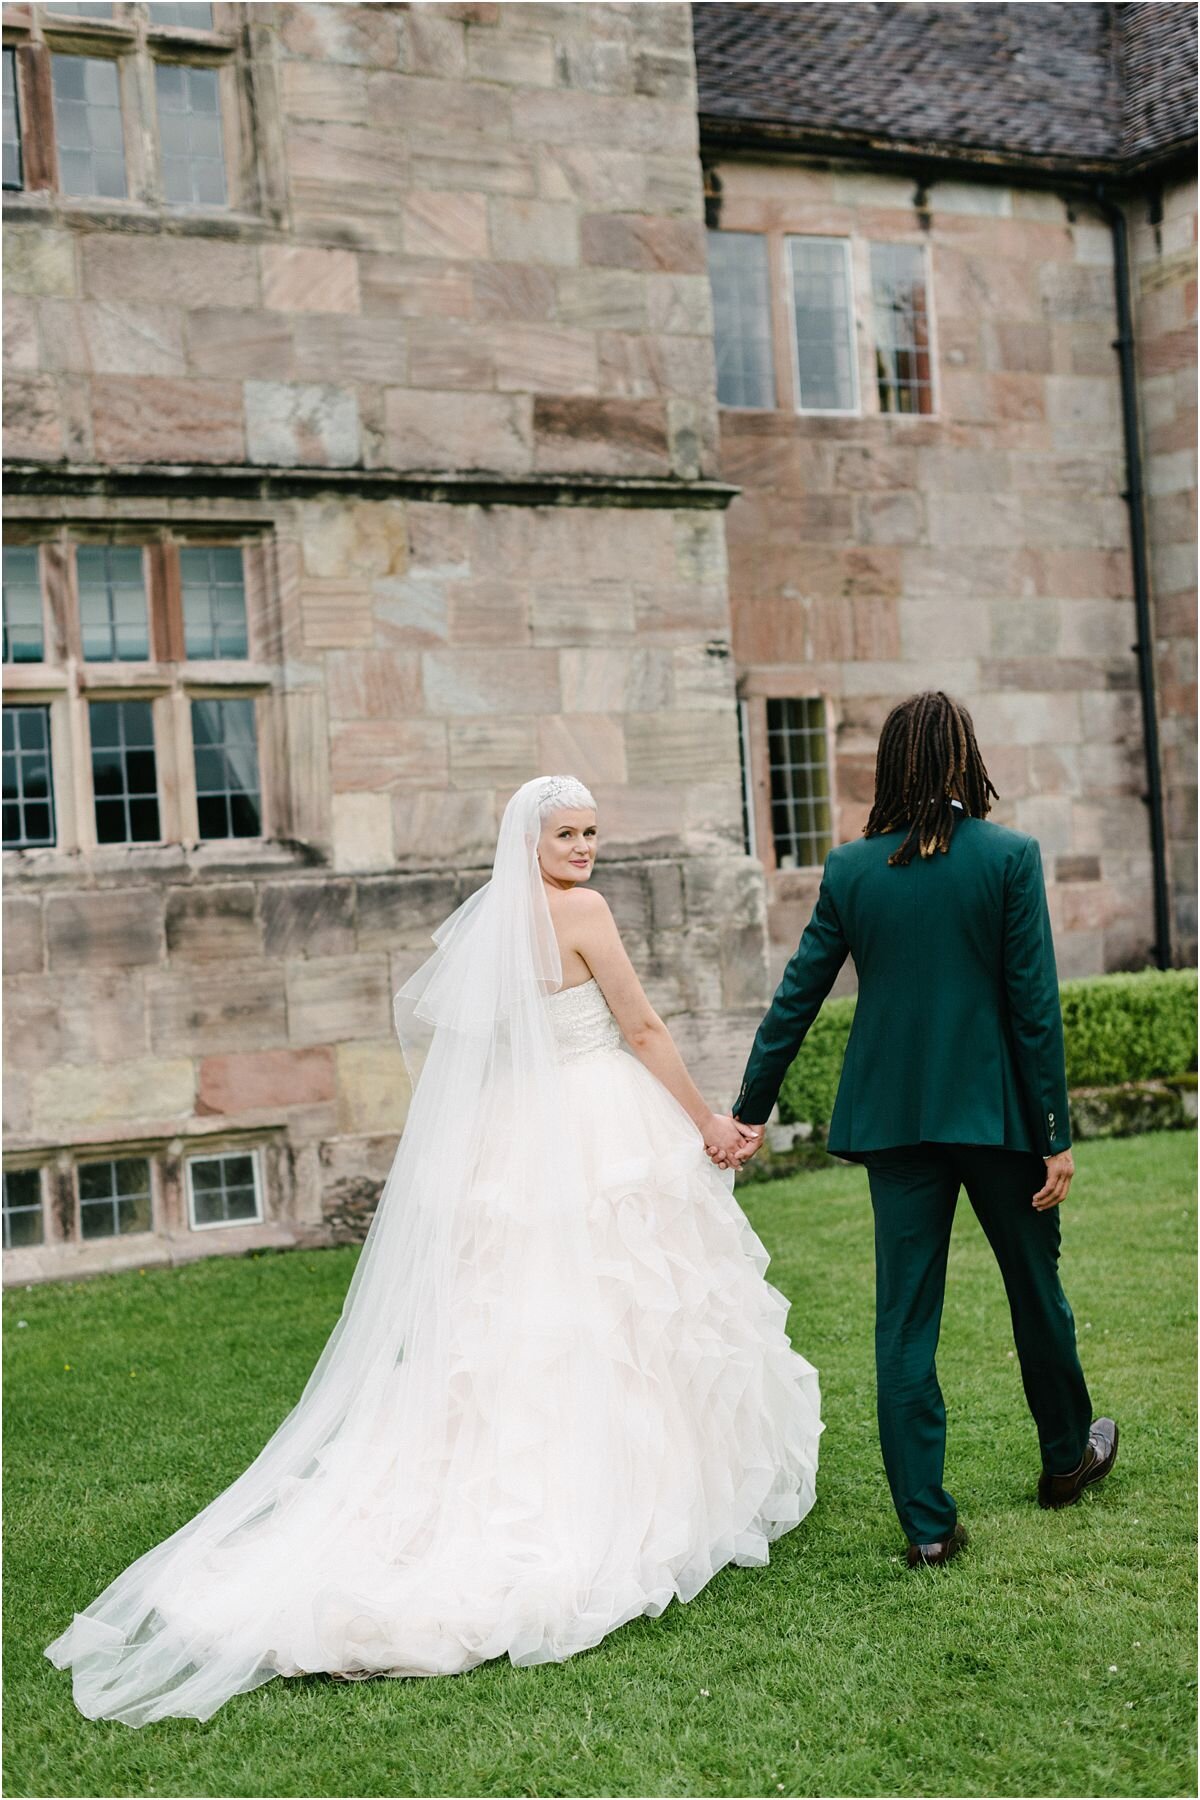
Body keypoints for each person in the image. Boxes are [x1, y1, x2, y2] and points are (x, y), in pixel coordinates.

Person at [45, 774, 822, 1727]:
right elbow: (643, 1025)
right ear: (530, 842)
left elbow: (481, 1051)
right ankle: (621, 1489)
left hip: (516, 1131)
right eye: (567, 835)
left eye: (591, 834)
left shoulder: (493, 923)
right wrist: (705, 1118)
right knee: (622, 1300)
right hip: (595, 1119)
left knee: (549, 1310)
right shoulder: (581, 913)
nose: (584, 849)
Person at [724, 691, 1117, 1568]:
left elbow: (797, 998)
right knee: (1035, 1293)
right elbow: (1034, 1011)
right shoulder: (1009, 857)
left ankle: (928, 1529)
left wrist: (750, 1109)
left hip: (897, 1126)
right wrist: (1054, 1131)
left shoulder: (853, 869)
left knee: (904, 1321)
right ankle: (1066, 1461)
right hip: (1000, 1122)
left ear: (890, 766)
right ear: (964, 757)